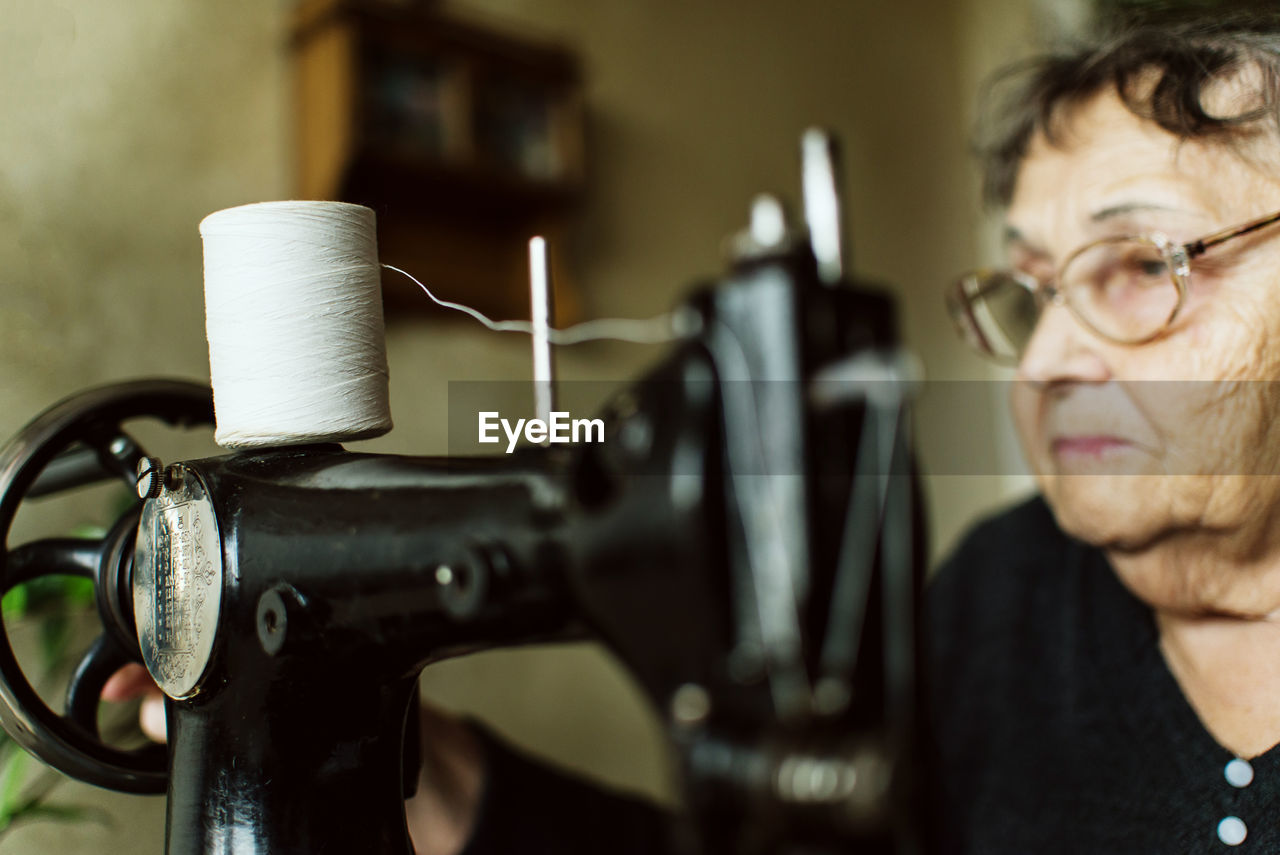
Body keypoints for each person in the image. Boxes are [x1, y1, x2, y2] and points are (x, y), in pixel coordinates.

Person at [106, 12, 1280, 853]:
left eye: (1137, 265)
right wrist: (438, 768)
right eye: (1026, 290)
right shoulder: (1003, 596)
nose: (1047, 355)